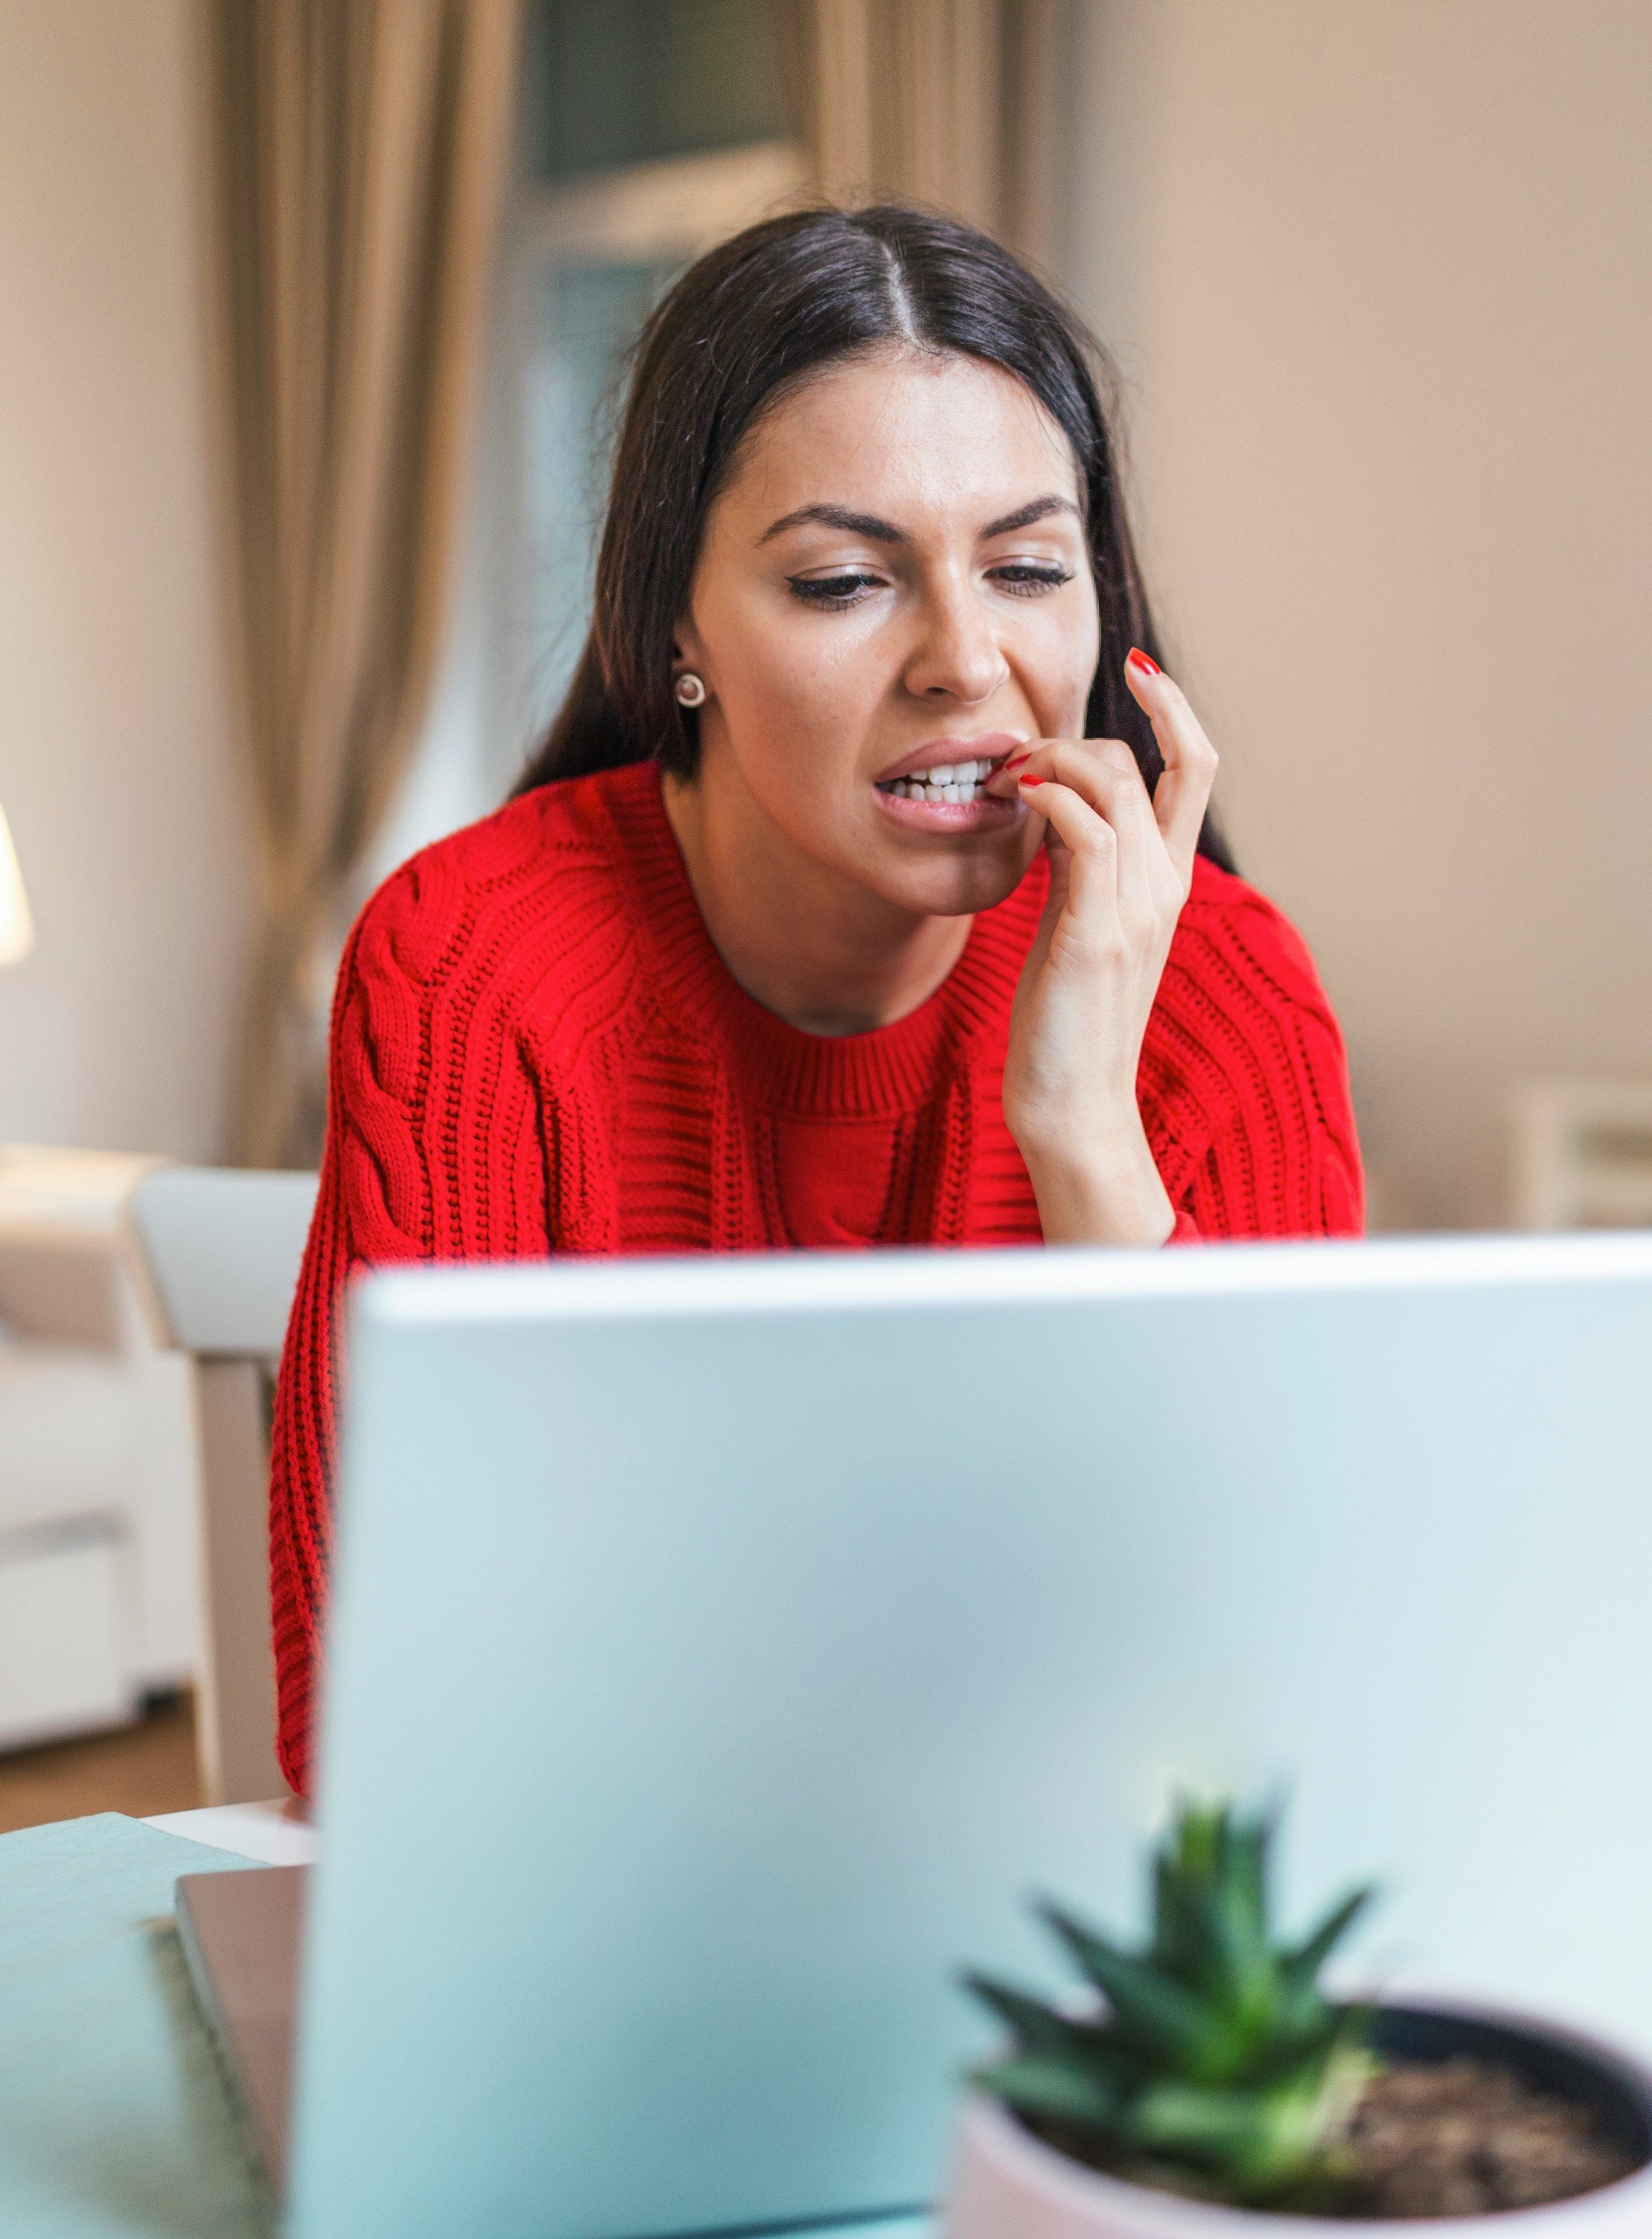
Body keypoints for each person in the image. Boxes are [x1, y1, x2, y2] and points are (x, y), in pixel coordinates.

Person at [266, 204, 1365, 1791]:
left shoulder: (1224, 987)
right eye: (847, 581)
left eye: (1031, 566)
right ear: (677, 627)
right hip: (622, 1921)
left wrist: (1080, 1132)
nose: (964, 659)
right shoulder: (479, 968)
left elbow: (1301, 1678)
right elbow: (372, 1701)